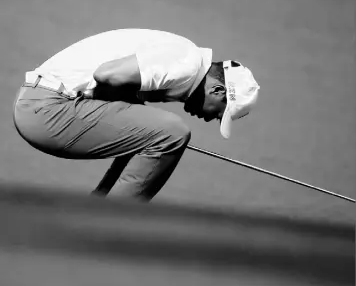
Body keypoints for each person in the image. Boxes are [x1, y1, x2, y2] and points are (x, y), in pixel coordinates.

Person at [13, 28, 260, 201]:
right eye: (220, 113)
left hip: (40, 105)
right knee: (173, 133)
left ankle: (96, 212)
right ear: (217, 90)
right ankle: (113, 227)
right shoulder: (187, 63)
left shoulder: (183, 60)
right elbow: (107, 74)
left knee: (149, 132)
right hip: (49, 108)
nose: (211, 119)